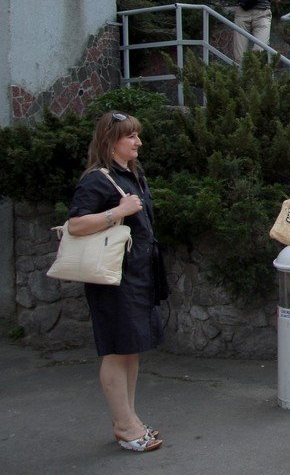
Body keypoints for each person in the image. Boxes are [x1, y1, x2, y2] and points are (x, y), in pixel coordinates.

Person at [67, 111, 168, 453]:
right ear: (111, 141)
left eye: (138, 135)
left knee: (132, 347)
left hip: (138, 274)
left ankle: (129, 418)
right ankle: (124, 425)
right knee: (116, 348)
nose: (138, 141)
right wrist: (118, 212)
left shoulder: (132, 175)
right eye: (131, 136)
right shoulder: (97, 180)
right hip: (113, 278)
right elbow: (76, 225)